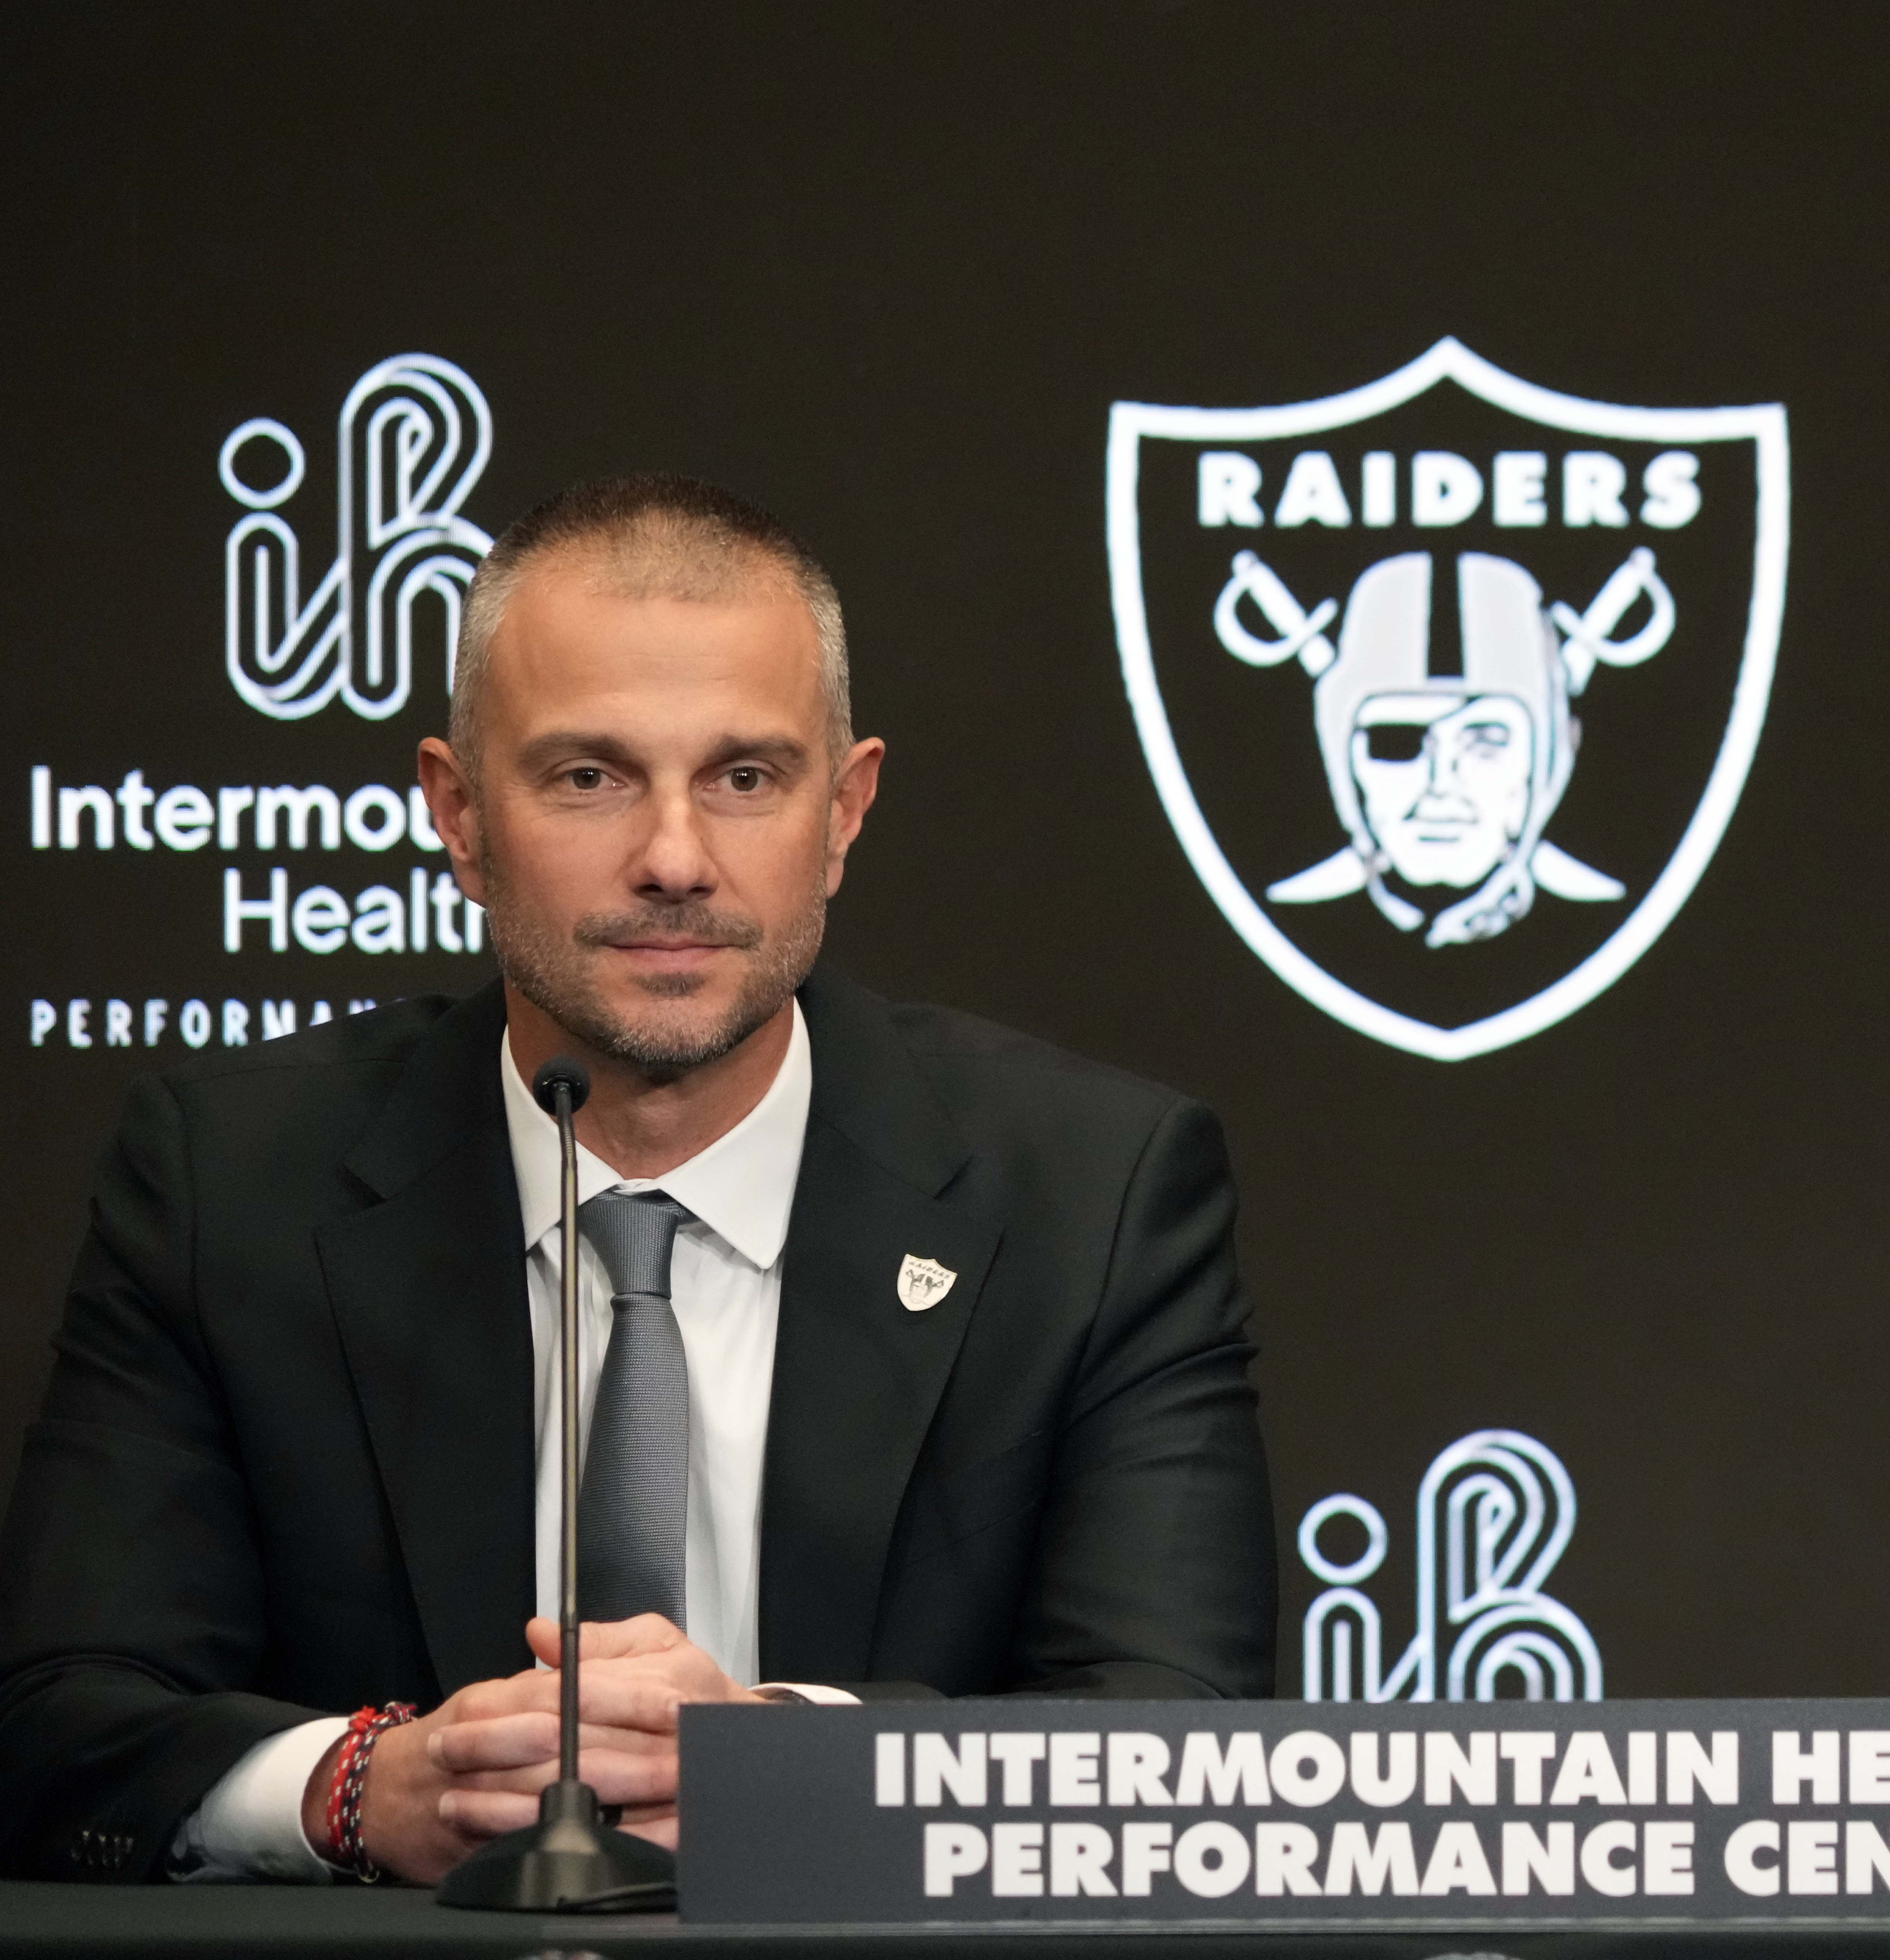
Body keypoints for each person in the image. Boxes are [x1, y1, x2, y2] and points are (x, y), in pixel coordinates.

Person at [0, 475, 1275, 1885]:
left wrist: (788, 1774)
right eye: (588, 776)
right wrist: (364, 1786)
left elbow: (1187, 1739)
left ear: (844, 810)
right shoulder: (226, 1183)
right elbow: (58, 1720)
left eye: (746, 777)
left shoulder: (1092, 1192)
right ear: (461, 813)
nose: (675, 859)